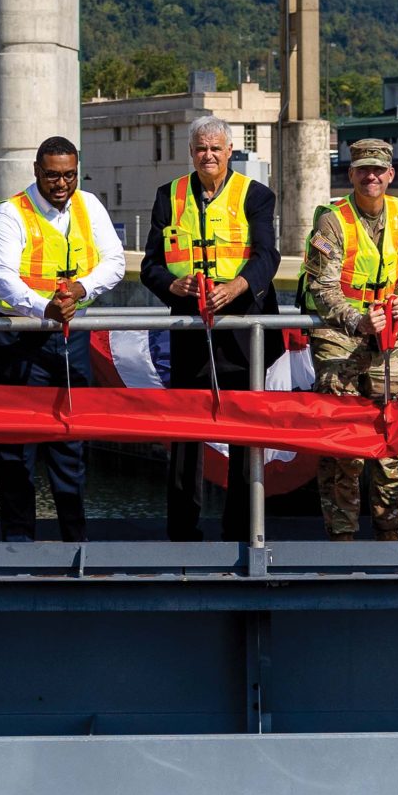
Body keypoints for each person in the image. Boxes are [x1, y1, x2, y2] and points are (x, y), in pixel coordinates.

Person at [140, 116, 279, 541]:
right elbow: (150, 265)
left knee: (242, 432)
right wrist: (172, 285)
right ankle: (182, 529)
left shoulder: (255, 195)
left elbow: (266, 257)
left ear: (230, 151)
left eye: (216, 148)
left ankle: (240, 528)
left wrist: (236, 287)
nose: (209, 155)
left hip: (241, 329)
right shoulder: (170, 196)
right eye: (202, 148)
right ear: (191, 152)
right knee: (185, 432)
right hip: (189, 327)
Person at [0, 135, 126, 541]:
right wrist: (43, 306)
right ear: (36, 171)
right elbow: (3, 276)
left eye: (69, 175)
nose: (62, 184)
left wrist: (80, 290)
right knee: (16, 445)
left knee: (70, 440)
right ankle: (18, 543)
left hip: (68, 338)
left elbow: (114, 261)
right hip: (18, 338)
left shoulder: (89, 205)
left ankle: (74, 540)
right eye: (52, 176)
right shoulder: (11, 213)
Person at [299, 138, 398, 541]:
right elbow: (323, 288)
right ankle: (342, 534)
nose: (371, 177)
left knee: (394, 439)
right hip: (339, 338)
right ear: (351, 174)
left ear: (391, 175)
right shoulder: (332, 221)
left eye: (379, 170)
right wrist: (359, 320)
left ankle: (389, 529)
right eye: (363, 170)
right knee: (343, 446)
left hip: (387, 338)